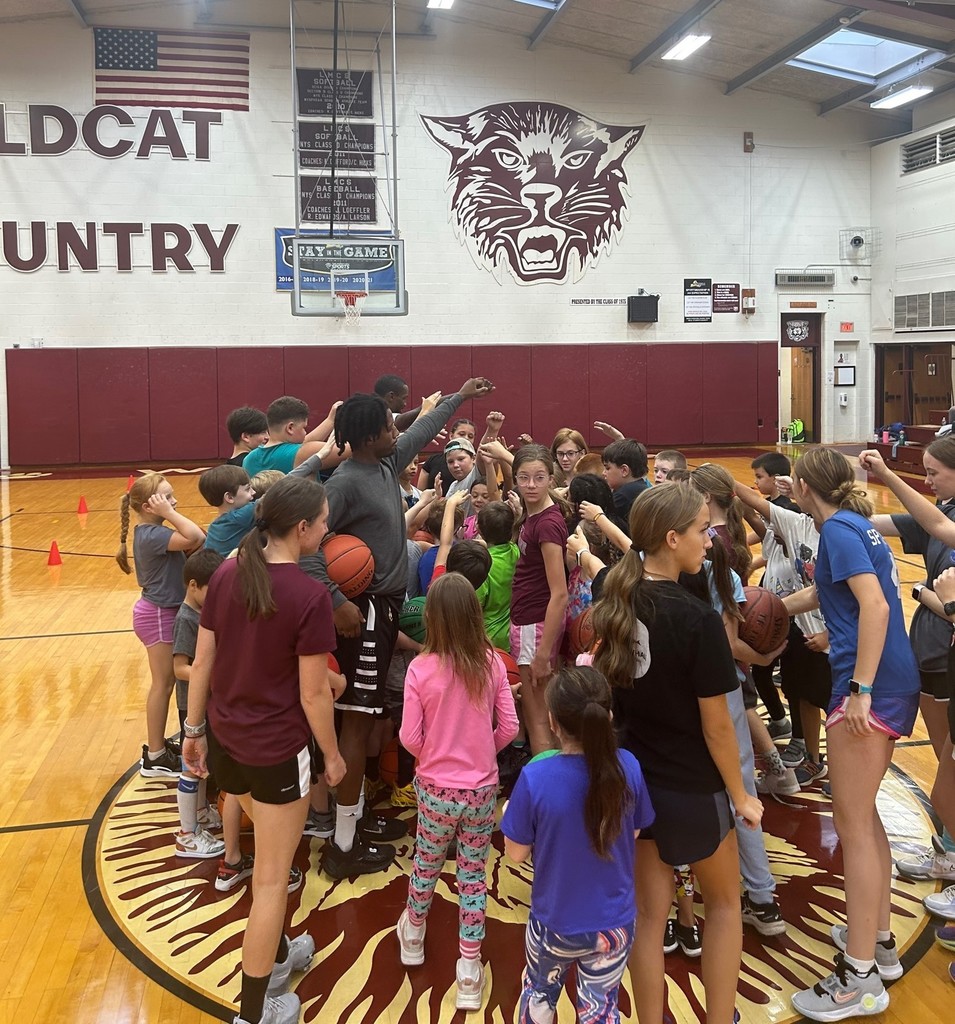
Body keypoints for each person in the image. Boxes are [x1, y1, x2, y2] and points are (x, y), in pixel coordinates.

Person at [305, 377, 494, 878]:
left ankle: (354, 818)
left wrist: (460, 397)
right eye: (389, 426)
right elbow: (307, 551)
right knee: (357, 720)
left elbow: (427, 426)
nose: (399, 431)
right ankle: (342, 844)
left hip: (384, 608)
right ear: (368, 437)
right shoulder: (342, 484)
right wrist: (338, 600)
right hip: (361, 610)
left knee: (365, 719)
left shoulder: (386, 460)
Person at [592, 483, 763, 1024]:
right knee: (725, 904)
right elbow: (717, 728)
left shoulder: (615, 596)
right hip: (694, 788)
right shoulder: (699, 620)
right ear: (672, 538)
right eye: (700, 531)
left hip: (636, 782)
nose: (709, 542)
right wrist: (740, 795)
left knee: (648, 917)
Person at [181, 475, 346, 1024]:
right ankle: (257, 1013)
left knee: (268, 868)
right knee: (273, 878)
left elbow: (202, 663)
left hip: (227, 742)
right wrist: (332, 753)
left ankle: (278, 955)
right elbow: (313, 691)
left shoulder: (226, 572)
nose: (327, 530)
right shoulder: (308, 594)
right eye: (323, 522)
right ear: (302, 529)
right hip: (277, 751)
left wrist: (193, 730)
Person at [784, 448, 919, 1021]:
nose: (788, 482)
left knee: (852, 826)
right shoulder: (850, 525)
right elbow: (829, 595)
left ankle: (859, 978)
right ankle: (880, 943)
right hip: (888, 678)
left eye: (794, 476)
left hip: (871, 684)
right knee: (864, 821)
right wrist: (764, 611)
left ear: (807, 485)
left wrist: (859, 687)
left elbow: (875, 609)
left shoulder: (838, 529)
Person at [501, 665, 654, 1024]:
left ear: (552, 722)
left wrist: (509, 813)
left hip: (555, 921)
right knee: (600, 1009)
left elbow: (515, 854)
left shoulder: (535, 777)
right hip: (615, 924)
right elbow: (633, 833)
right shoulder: (629, 767)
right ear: (608, 715)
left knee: (539, 998)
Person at [396, 573, 519, 1011]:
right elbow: (510, 726)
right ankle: (469, 970)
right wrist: (482, 749)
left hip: (433, 787)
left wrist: (434, 754)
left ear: (431, 617)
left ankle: (413, 933)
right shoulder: (491, 664)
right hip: (482, 790)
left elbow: (409, 736)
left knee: (425, 863)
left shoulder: (420, 668)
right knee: (472, 875)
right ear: (475, 614)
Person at [853, 449, 955, 897]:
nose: (928, 480)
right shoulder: (942, 511)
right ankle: (949, 848)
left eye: (934, 473)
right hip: (935, 645)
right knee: (944, 762)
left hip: (943, 640)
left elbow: (936, 528)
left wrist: (927, 595)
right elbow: (897, 524)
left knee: (947, 778)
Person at [116, 473, 206, 778]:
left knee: (166, 682)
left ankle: (158, 747)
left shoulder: (154, 531)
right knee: (164, 683)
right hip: (157, 614)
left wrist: (167, 513)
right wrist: (171, 514)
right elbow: (194, 536)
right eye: (167, 498)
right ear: (149, 507)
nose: (174, 502)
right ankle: (154, 756)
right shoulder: (152, 535)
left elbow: (197, 539)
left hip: (161, 611)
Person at [510, 444, 569, 754]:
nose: (531, 485)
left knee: (539, 722)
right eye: (523, 478)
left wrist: (543, 654)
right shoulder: (534, 514)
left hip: (535, 627)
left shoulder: (546, 524)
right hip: (529, 624)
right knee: (546, 716)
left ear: (551, 479)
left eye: (539, 478)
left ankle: (549, 797)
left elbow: (560, 593)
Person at [172, 548, 226, 859]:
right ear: (194, 586)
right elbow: (179, 667)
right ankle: (187, 834)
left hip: (204, 702)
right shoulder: (186, 619)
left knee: (202, 766)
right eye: (212, 590)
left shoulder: (203, 614)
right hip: (189, 705)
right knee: (192, 768)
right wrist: (211, 674)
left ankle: (201, 814)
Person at [241, 396, 339, 477]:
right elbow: (351, 447)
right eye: (303, 428)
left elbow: (300, 446)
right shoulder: (302, 453)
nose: (305, 433)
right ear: (290, 428)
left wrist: (330, 420)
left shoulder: (248, 459)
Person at [199, 465, 257, 556]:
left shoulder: (214, 526)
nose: (254, 492)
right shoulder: (240, 517)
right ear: (229, 497)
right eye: (248, 489)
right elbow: (276, 495)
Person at [418, 418, 476, 490]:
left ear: (473, 459)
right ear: (451, 436)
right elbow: (420, 492)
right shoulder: (433, 460)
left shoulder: (476, 466)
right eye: (461, 434)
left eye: (470, 436)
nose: (466, 438)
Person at [601, 438, 650, 522]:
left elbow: (602, 519)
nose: (603, 473)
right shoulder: (642, 487)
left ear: (624, 471)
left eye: (607, 468)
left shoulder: (623, 495)